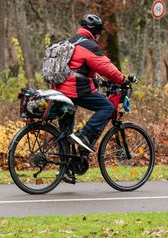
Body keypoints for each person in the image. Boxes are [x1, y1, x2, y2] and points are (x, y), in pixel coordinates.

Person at [54, 13, 133, 155]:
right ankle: (84, 135)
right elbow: (105, 67)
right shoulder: (88, 45)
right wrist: (123, 80)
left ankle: (66, 165)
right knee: (107, 107)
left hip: (61, 90)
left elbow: (78, 68)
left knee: (66, 132)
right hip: (75, 90)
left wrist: (98, 80)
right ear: (96, 32)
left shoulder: (71, 42)